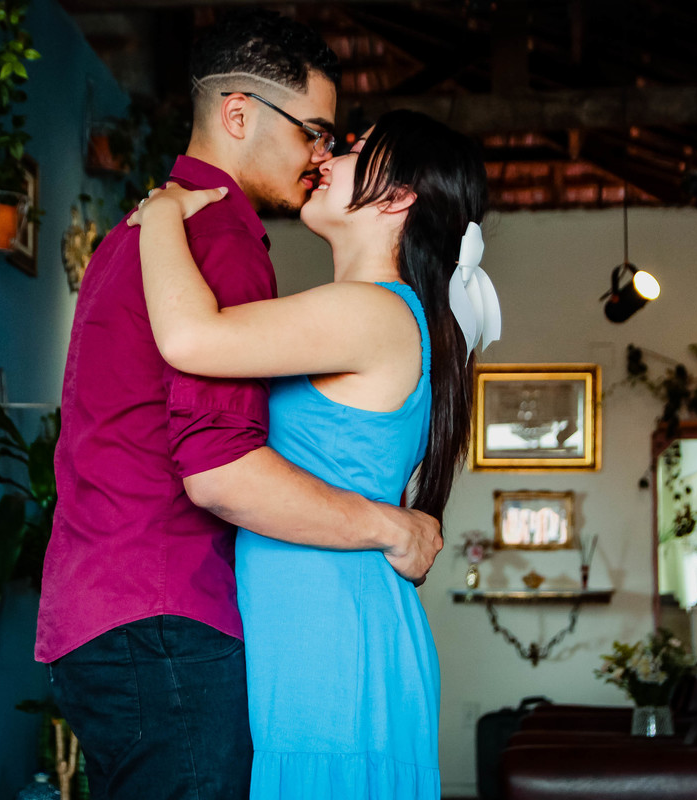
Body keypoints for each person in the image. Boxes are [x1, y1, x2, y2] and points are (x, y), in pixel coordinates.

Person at [35, 12, 444, 800]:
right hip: (165, 610)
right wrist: (392, 526)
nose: (321, 155)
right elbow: (218, 468)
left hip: (104, 606)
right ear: (238, 114)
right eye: (315, 132)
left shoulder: (143, 231)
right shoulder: (217, 238)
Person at [127, 109, 499, 799]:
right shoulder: (381, 312)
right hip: (326, 632)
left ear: (398, 196)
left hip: (332, 646)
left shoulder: (372, 311)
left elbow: (189, 339)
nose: (328, 155)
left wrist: (160, 215)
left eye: (357, 148)